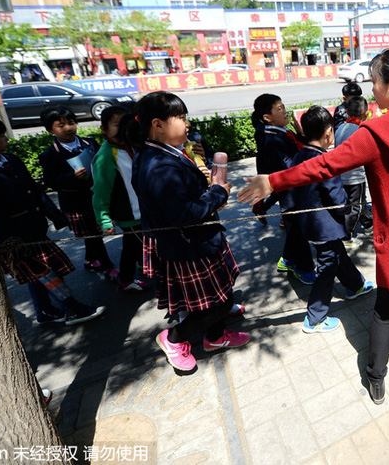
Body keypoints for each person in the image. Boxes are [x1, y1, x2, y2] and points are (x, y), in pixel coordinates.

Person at [238, 48, 389, 405]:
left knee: (385, 309)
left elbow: (323, 166)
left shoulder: (377, 132)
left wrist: (273, 182)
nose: (372, 90)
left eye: (375, 82)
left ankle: (376, 380)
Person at [126, 92, 249, 372]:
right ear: (157, 124)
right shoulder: (159, 165)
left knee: (220, 295)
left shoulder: (164, 152)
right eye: (180, 118)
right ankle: (173, 338)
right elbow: (184, 214)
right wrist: (218, 193)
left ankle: (215, 337)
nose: (187, 123)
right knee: (217, 303)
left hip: (199, 239)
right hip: (188, 244)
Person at [0, 114, 105, 326]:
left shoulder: (12, 160)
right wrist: (8, 241)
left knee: (38, 274)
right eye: (0, 136)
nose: (6, 139)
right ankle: (73, 308)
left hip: (35, 227)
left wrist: (55, 216)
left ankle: (44, 311)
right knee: (44, 272)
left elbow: (35, 190)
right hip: (15, 236)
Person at [292, 107, 375, 333]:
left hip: (308, 223)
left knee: (337, 253)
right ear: (329, 132)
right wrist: (348, 210)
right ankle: (315, 318)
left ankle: (355, 285)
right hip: (324, 226)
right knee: (327, 267)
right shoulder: (324, 161)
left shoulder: (299, 155)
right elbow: (338, 199)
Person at [38, 106, 115, 275]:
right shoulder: (49, 155)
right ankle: (109, 267)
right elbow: (51, 182)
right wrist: (71, 177)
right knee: (93, 235)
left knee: (93, 234)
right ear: (50, 130)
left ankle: (89, 259)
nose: (68, 128)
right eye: (61, 125)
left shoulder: (90, 143)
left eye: (71, 122)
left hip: (95, 197)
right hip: (74, 203)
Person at [250, 94, 316, 284]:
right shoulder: (272, 140)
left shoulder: (282, 132)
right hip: (290, 193)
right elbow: (290, 167)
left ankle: (287, 259)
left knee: (295, 229)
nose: (284, 111)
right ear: (267, 117)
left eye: (283, 106)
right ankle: (304, 269)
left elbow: (301, 147)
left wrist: (300, 132)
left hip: (292, 190)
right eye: (279, 109)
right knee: (298, 230)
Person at [91, 105, 152, 293]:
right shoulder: (105, 156)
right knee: (137, 245)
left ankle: (127, 277)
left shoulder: (132, 145)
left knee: (132, 245)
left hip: (144, 210)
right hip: (129, 212)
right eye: (117, 124)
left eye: (126, 123)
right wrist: (103, 218)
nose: (123, 129)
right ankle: (126, 279)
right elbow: (100, 191)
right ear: (103, 129)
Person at [334, 96, 373, 241]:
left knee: (360, 202)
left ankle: (368, 224)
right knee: (355, 207)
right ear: (365, 113)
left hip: (342, 175)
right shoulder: (360, 130)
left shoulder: (340, 128)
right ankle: (346, 236)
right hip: (356, 176)